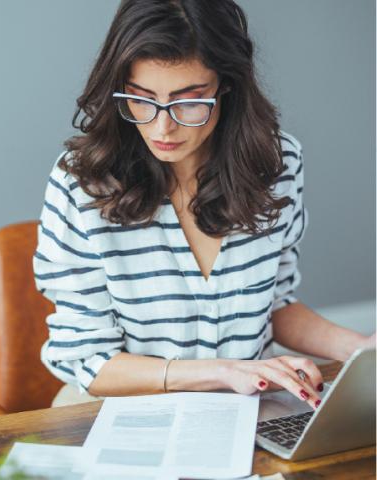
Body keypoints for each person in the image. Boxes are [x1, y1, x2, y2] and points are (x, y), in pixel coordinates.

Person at [33, 0, 375, 408]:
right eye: (141, 99)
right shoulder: (82, 184)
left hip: (242, 403)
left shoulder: (277, 164)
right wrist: (223, 372)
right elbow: (87, 359)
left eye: (188, 101)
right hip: (118, 408)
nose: (162, 127)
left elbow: (275, 304)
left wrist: (362, 351)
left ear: (226, 86)